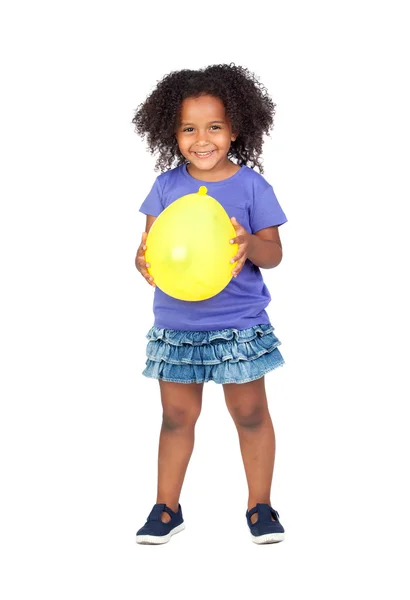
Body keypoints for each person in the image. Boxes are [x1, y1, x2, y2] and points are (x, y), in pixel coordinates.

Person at [132, 64, 288, 545]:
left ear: (235, 128)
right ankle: (166, 508)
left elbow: (274, 254)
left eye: (214, 127)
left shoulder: (251, 187)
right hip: (177, 323)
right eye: (189, 128)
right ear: (172, 132)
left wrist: (248, 245)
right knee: (176, 418)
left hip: (237, 325)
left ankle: (260, 507)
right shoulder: (166, 186)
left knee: (250, 414)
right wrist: (142, 260)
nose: (202, 139)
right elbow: (150, 248)